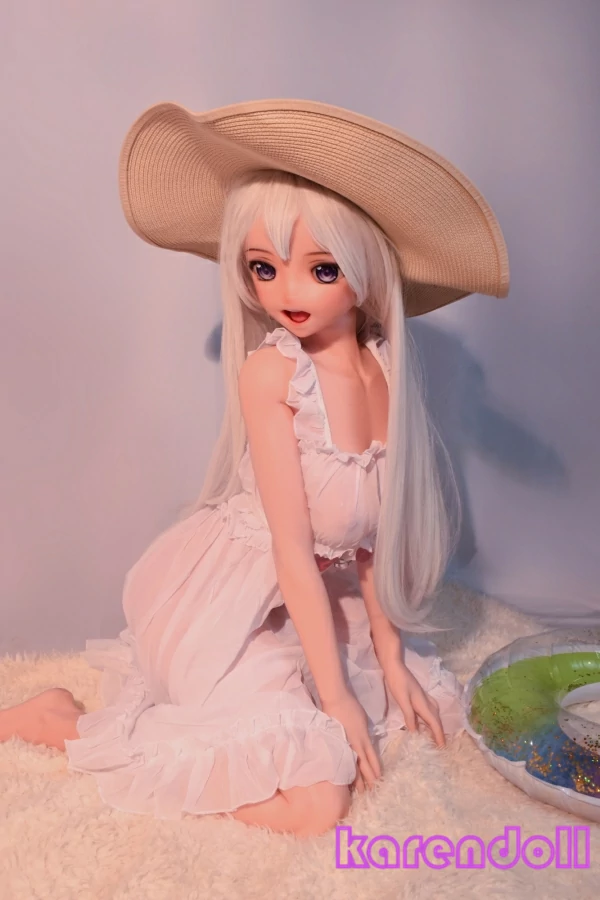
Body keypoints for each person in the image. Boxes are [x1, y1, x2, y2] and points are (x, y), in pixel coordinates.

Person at [0, 99, 509, 838]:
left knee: (417, 704)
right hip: (226, 600)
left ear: (365, 271)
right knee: (318, 803)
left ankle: (336, 684)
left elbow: (372, 540)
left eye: (321, 269)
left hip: (307, 596)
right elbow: (290, 551)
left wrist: (389, 651)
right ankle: (61, 724)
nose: (286, 293)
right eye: (263, 268)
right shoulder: (274, 375)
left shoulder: (384, 369)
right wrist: (335, 697)